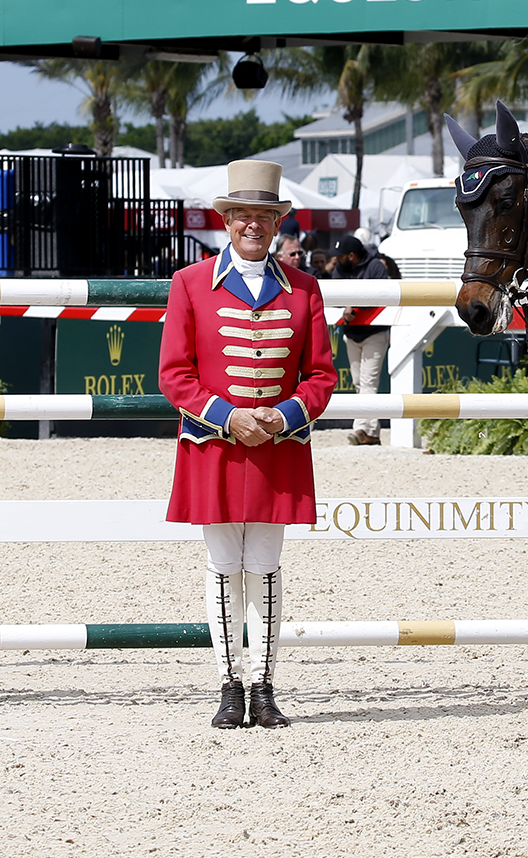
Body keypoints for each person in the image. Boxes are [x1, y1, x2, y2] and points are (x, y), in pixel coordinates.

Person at [159, 160, 337, 730]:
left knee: (264, 566)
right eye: (242, 216)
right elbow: (175, 374)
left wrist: (281, 418)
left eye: (263, 217)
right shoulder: (189, 284)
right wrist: (230, 417)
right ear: (227, 221)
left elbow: (322, 376)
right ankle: (227, 685)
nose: (252, 226)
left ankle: (263, 686)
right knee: (220, 566)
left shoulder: (304, 288)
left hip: (276, 448)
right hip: (214, 445)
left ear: (277, 223)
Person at [331, 233, 391, 445]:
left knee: (368, 382)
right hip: (351, 333)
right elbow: (336, 294)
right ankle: (372, 433)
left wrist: (353, 305)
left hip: (375, 332)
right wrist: (348, 305)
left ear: (351, 255)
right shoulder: (341, 268)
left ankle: (360, 429)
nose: (334, 260)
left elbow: (382, 295)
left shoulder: (375, 266)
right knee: (359, 382)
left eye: (339, 256)